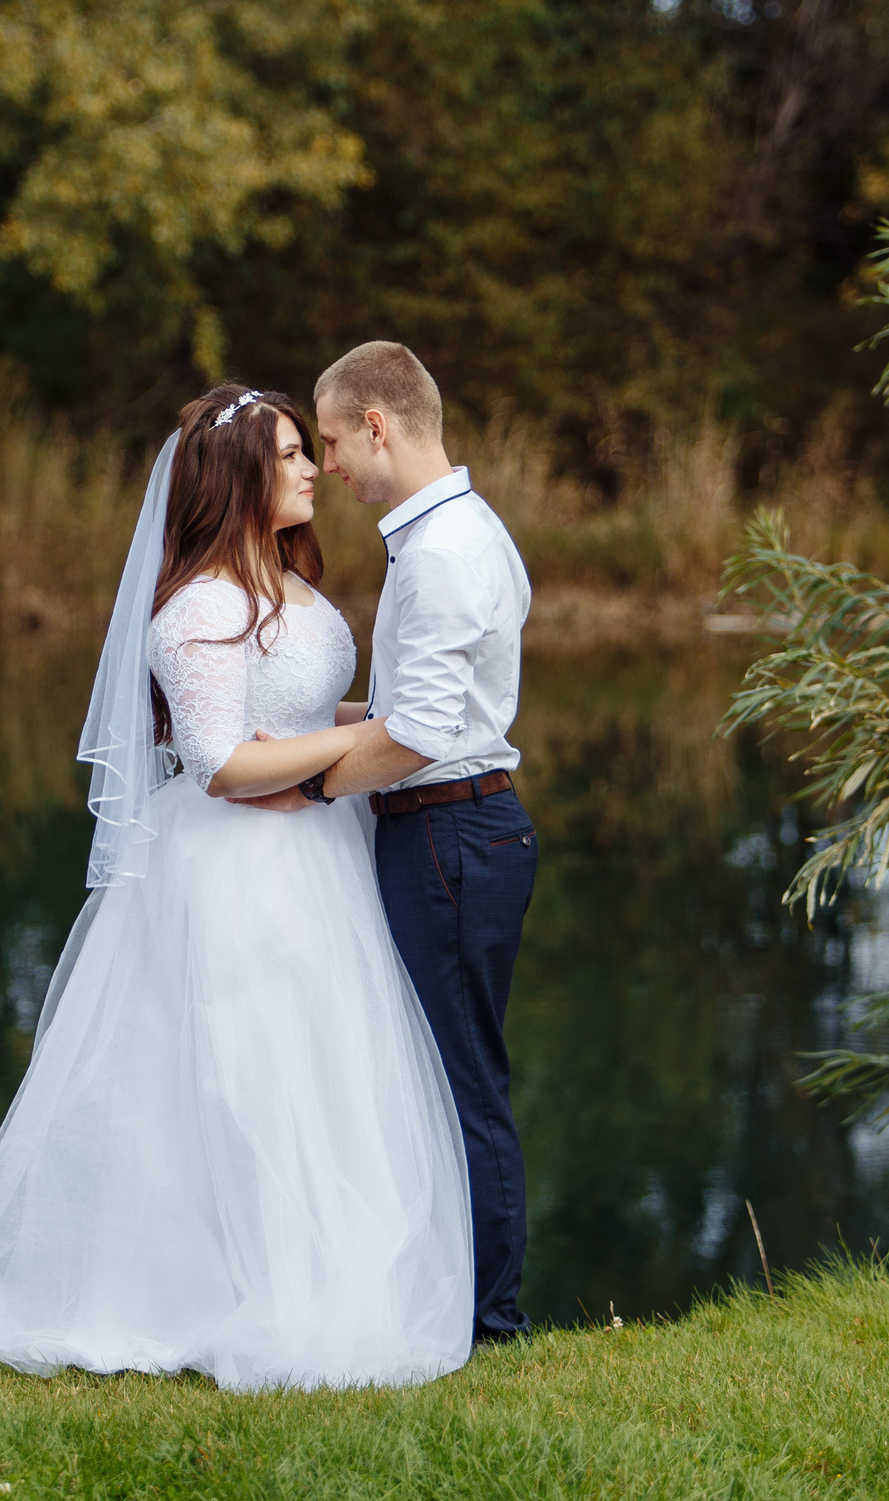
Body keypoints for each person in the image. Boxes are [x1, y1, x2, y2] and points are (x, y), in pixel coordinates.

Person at [0, 383, 473, 1392]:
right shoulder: (200, 607)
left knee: (328, 1069)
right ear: (237, 475)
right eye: (291, 453)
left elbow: (289, 709)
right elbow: (218, 761)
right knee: (246, 1076)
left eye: (311, 449)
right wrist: (364, 740)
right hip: (235, 869)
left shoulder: (291, 586)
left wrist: (395, 725)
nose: (311, 469)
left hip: (318, 852)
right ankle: (226, 1291)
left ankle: (332, 1281)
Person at [252, 340, 538, 1347]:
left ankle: (487, 1318)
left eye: (329, 440)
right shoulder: (448, 533)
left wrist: (308, 784)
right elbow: (426, 709)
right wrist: (302, 723)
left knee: (459, 1079)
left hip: (450, 834)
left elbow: (417, 734)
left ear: (378, 425)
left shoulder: (447, 551)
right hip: (457, 828)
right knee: (444, 1070)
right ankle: (456, 1298)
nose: (325, 464)